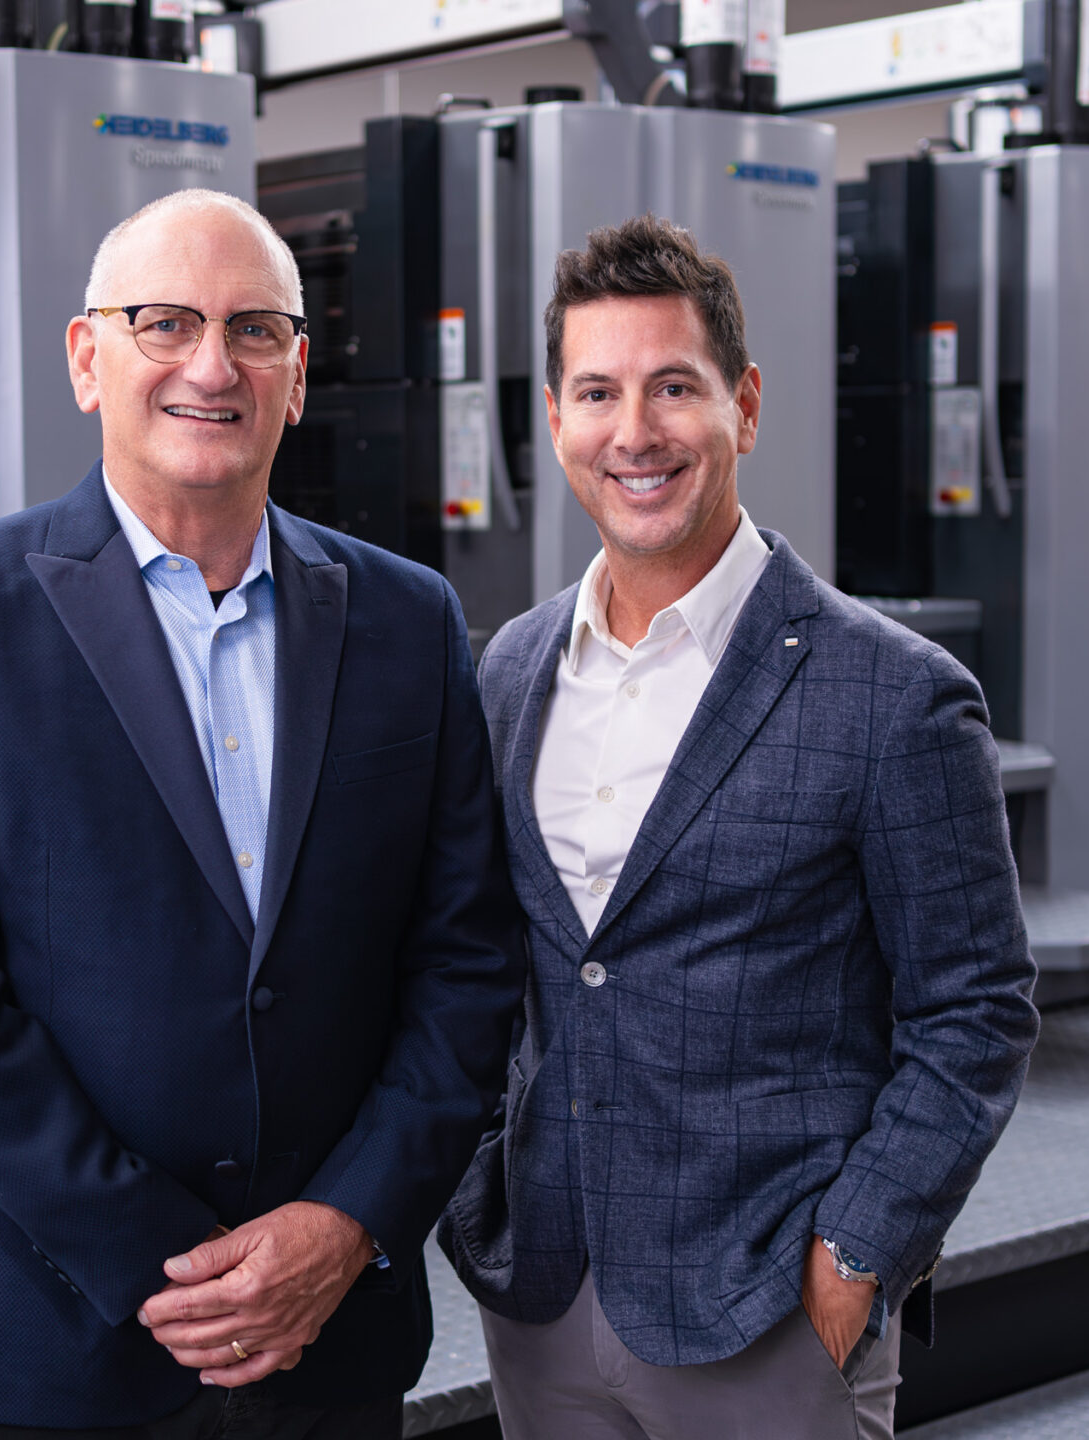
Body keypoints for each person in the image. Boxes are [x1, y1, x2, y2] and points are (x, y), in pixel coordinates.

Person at [0, 188, 526, 1440]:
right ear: (85, 358)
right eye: (165, 322)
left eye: (255, 329)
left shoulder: (404, 618)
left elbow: (467, 961)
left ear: (299, 372)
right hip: (59, 1327)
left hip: (329, 1329)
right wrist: (170, 1263)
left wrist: (345, 1226)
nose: (212, 365)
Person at [439, 215, 1040, 1440]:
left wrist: (858, 1249)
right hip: (544, 1291)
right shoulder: (507, 671)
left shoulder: (894, 694)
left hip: (768, 1305)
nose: (634, 431)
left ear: (744, 405)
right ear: (554, 419)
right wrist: (476, 1187)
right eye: (596, 392)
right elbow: (493, 964)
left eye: (674, 387)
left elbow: (974, 1008)